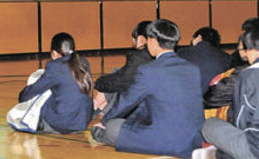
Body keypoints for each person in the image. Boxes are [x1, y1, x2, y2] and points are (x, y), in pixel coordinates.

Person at [92, 19, 205, 158]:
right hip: (194, 139)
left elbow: (127, 101)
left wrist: (104, 122)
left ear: (153, 41)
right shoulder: (192, 68)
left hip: (167, 140)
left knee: (112, 127)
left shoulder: (148, 70)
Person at [195, 26, 259, 159]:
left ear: (251, 49)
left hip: (254, 148)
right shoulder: (227, 59)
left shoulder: (248, 75)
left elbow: (240, 122)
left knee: (209, 124)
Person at [17, 32, 93, 133]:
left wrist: (21, 96)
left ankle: (39, 123)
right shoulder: (84, 62)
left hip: (63, 124)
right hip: (83, 121)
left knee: (40, 84)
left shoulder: (55, 66)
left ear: (54, 53)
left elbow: (34, 90)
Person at [94, 20, 153, 113]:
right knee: (118, 73)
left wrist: (98, 83)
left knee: (119, 82)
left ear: (141, 39)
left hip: (144, 108)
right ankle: (100, 106)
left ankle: (99, 106)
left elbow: (121, 81)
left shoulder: (139, 58)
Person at [177, 27, 231, 94]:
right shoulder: (227, 57)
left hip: (188, 96)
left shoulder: (182, 53)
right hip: (215, 97)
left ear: (199, 37)